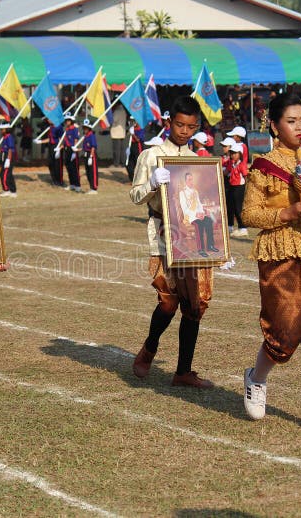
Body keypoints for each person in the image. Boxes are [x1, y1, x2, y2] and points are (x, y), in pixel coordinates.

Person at [241, 93, 301, 434]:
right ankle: (256, 378)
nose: (300, 128)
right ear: (274, 125)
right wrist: (285, 212)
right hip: (280, 252)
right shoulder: (264, 165)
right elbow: (249, 213)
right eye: (291, 121)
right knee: (283, 332)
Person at [129, 95, 215, 389]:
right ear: (169, 122)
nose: (184, 131)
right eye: (179, 124)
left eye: (191, 127)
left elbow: (207, 202)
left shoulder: (198, 161)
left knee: (195, 304)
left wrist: (219, 243)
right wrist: (152, 182)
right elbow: (135, 195)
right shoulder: (151, 156)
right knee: (167, 301)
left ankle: (183, 371)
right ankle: (149, 347)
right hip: (163, 234)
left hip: (192, 239)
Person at [224, 142, 248, 237]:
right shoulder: (232, 164)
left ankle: (243, 228)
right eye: (232, 153)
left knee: (238, 208)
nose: (233, 155)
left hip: (239, 187)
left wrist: (246, 189)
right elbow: (226, 172)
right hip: (232, 186)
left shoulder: (242, 165)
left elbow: (246, 176)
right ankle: (230, 226)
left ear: (240, 154)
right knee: (231, 206)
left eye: (235, 153)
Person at [0, 122, 17, 197]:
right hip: (5, 157)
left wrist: (8, 159)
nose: (1, 130)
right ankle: (12, 190)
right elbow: (5, 148)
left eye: (2, 129)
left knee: (4, 175)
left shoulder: (9, 137)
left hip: (8, 158)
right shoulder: (5, 137)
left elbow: (10, 149)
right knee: (7, 174)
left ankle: (7, 190)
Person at [61, 114, 80, 192]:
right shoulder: (67, 129)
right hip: (67, 149)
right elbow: (65, 140)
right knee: (68, 167)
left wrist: (74, 150)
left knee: (74, 168)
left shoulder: (74, 129)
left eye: (68, 120)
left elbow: (76, 139)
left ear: (71, 121)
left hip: (72, 149)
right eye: (66, 120)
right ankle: (72, 184)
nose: (67, 122)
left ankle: (77, 185)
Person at [79, 119, 98, 194]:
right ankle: (91, 187)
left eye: (86, 128)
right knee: (88, 172)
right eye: (84, 128)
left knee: (92, 171)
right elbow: (84, 148)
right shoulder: (85, 136)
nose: (85, 129)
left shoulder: (91, 135)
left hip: (91, 155)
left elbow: (93, 147)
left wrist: (91, 156)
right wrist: (77, 149)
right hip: (86, 154)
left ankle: (94, 188)